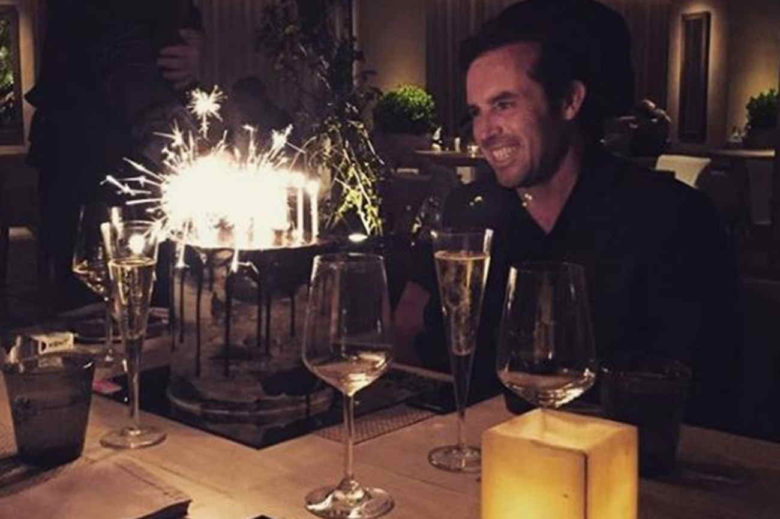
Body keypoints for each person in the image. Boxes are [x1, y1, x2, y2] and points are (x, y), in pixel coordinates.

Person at [393, 0, 741, 428]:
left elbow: (704, 394)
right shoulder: (467, 211)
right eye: (476, 112)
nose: (484, 132)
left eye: (504, 105)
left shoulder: (672, 219)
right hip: (477, 447)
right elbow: (414, 333)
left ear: (569, 101)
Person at [27, 0, 204, 311]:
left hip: (149, 157)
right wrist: (158, 115)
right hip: (87, 152)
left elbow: (178, 28)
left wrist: (193, 48)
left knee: (161, 299)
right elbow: (101, 42)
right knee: (90, 301)